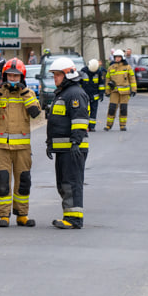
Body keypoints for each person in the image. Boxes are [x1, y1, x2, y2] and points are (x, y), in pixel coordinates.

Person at [0, 58, 42, 228]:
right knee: (2, 181)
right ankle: (4, 215)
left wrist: (24, 94)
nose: (13, 79)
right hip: (2, 148)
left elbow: (35, 113)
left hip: (22, 148)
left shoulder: (28, 94)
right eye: (10, 75)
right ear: (5, 76)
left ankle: (22, 215)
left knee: (23, 182)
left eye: (16, 76)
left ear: (22, 77)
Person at [44, 56, 90, 229]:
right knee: (64, 183)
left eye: (57, 75)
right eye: (54, 75)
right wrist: (50, 144)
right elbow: (56, 122)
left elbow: (79, 120)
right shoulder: (63, 93)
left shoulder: (75, 93)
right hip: (64, 149)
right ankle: (69, 216)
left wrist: (76, 143)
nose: (54, 78)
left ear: (68, 74)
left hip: (73, 149)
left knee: (72, 183)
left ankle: (74, 219)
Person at [104, 49, 136, 131]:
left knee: (123, 109)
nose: (117, 59)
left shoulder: (127, 67)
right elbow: (107, 80)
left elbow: (132, 79)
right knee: (112, 108)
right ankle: (108, 125)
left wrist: (134, 89)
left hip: (125, 92)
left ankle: (122, 125)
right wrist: (107, 91)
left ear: (122, 57)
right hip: (114, 92)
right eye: (116, 57)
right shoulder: (111, 68)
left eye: (119, 57)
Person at [79, 59, 105, 131]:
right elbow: (79, 83)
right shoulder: (83, 71)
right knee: (84, 111)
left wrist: (101, 93)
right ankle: (85, 125)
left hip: (94, 95)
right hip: (84, 95)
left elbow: (101, 84)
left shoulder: (98, 72)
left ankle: (92, 126)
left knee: (93, 111)